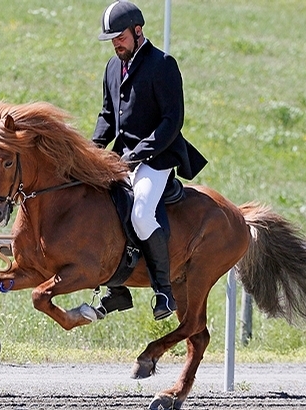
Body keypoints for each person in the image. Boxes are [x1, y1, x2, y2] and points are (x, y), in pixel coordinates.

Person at [91, 1, 207, 320]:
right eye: (112, 39)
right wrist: (90, 151)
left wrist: (138, 154)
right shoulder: (113, 68)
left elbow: (172, 120)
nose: (116, 43)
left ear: (138, 31)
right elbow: (106, 115)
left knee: (141, 214)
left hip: (157, 157)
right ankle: (116, 290)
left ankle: (164, 292)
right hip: (122, 155)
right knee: (93, 201)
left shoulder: (162, 64)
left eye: (121, 37)